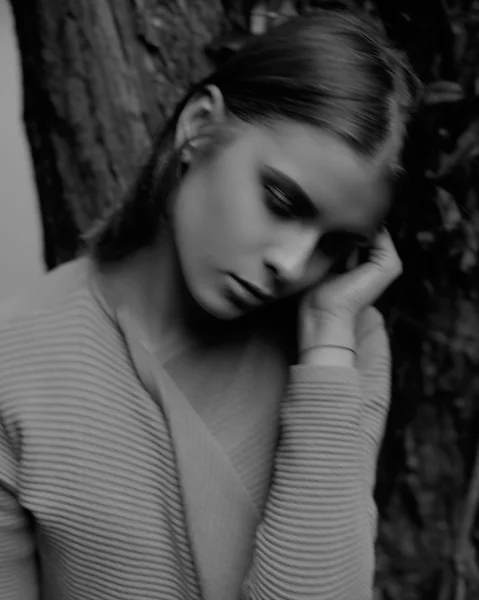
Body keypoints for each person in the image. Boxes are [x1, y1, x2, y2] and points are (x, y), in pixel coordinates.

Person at [0, 8, 417, 600]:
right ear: (199, 126)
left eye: (333, 245)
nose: (293, 265)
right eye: (281, 200)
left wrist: (327, 345)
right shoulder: (16, 359)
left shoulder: (344, 351)